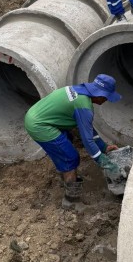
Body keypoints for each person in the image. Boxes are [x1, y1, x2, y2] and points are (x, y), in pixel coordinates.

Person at [24, 74, 121, 203]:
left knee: (66, 144)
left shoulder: (80, 90)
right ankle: (71, 199)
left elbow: (88, 128)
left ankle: (65, 175)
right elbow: (87, 140)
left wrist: (104, 147)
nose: (106, 100)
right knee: (70, 157)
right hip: (40, 126)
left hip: (38, 115)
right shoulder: (84, 106)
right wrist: (102, 160)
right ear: (100, 95)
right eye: (107, 97)